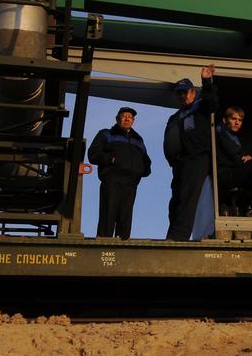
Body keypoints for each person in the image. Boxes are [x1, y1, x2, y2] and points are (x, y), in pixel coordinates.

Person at [163, 65, 218, 241]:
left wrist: (207, 81)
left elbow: (212, 100)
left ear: (193, 93)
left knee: (187, 197)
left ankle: (179, 236)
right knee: (176, 200)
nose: (182, 96)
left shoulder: (200, 107)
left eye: (185, 92)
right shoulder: (175, 117)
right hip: (179, 163)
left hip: (196, 159)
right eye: (179, 93)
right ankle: (173, 234)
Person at [86, 106, 151, 239]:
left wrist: (141, 170)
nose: (127, 119)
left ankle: (122, 242)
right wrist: (111, 159)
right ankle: (103, 240)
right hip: (112, 179)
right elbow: (93, 153)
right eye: (124, 116)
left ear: (133, 121)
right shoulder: (106, 134)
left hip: (131, 182)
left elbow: (146, 160)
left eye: (130, 117)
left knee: (125, 216)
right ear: (117, 119)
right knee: (108, 212)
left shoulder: (138, 139)